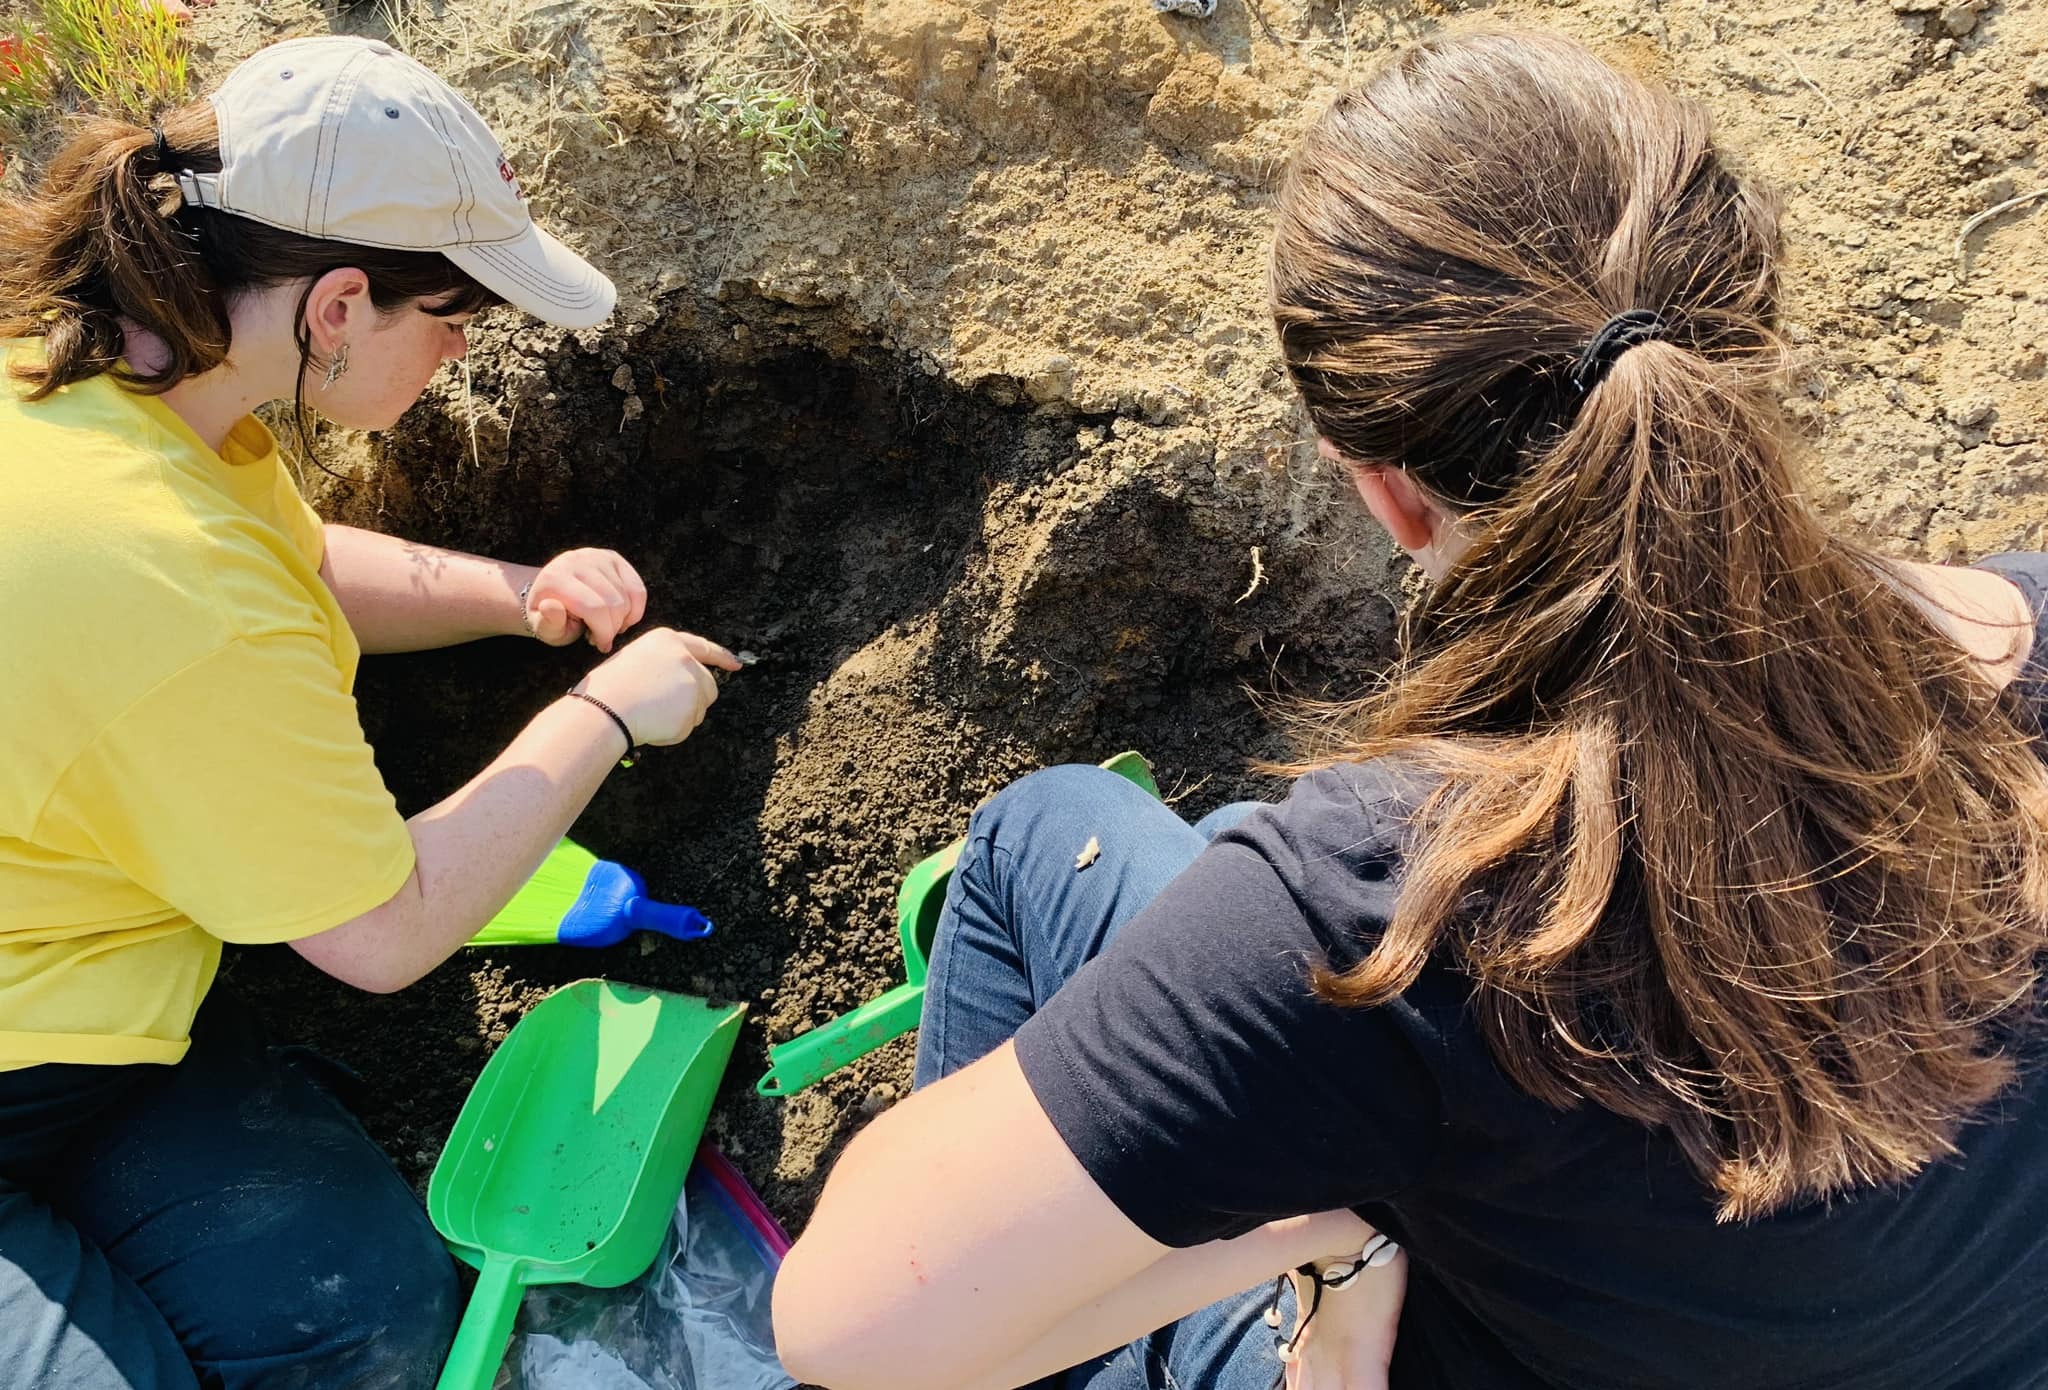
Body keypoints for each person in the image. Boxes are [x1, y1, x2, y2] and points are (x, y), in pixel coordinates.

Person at [772, 28, 2048, 1390]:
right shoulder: (2023, 633)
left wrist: (1334, 1227)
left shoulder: (1382, 912)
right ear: (1755, 335)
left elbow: (852, 1328)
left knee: (1043, 834)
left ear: (1382, 489)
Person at [0, 35, 738, 1389]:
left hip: (85, 1014)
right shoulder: (168, 580)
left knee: (374, 1329)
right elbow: (384, 929)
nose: (458, 353)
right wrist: (607, 715)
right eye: (452, 318)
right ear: (338, 304)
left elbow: (290, 562)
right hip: (27, 1038)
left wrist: (515, 595)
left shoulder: (123, 375)